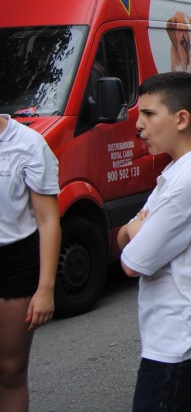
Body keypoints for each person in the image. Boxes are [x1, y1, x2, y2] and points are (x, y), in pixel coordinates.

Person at [118, 72, 191, 412]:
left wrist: (135, 229)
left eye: (149, 114)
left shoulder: (186, 181)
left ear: (181, 119)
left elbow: (131, 263)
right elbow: (126, 235)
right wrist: (134, 230)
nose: (138, 125)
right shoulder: (179, 173)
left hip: (179, 340)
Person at [0, 114, 59, 412]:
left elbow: (48, 221)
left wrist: (45, 289)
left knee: (10, 371)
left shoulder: (28, 144)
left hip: (14, 264)